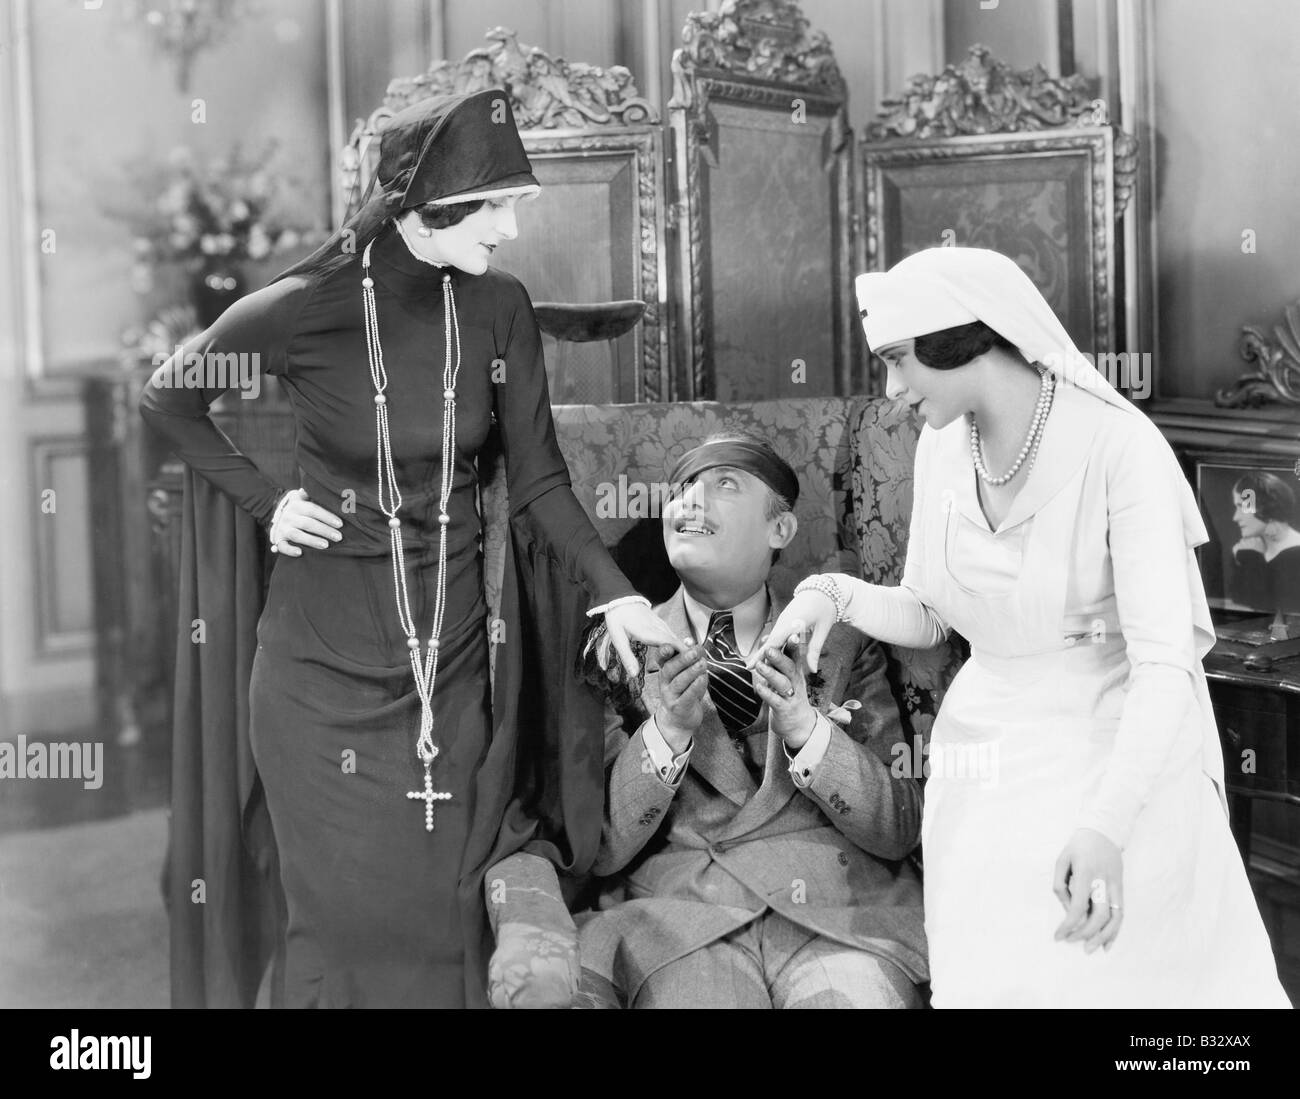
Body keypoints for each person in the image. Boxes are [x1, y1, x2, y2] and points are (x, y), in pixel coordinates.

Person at [139, 89, 681, 1008]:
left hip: (452, 664)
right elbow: (167, 396)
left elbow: (542, 480)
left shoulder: (501, 309)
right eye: (496, 207)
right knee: (340, 937)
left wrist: (615, 592)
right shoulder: (306, 308)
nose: (510, 230)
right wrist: (268, 504)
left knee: (445, 924)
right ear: (424, 213)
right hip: (316, 678)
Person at [759, 247, 1291, 1008]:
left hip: (1116, 748)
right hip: (987, 751)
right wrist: (829, 592)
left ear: (961, 338)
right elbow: (932, 610)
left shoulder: (1121, 448)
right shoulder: (944, 445)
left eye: (900, 360)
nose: (892, 389)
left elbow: (1166, 665)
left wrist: (1107, 826)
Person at [576, 434, 927, 1009]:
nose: (691, 500)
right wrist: (667, 735)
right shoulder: (620, 646)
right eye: (684, 487)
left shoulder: (839, 641)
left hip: (837, 916)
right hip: (682, 926)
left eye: (724, 485)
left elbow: (898, 828)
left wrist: (806, 731)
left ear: (780, 530)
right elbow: (599, 850)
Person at [1229, 471, 1300, 615]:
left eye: (1242, 507)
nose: (1235, 517)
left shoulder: (1296, 554)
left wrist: (1252, 560)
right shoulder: (1247, 549)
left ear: (1264, 506)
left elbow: (1266, 609)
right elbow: (1237, 601)